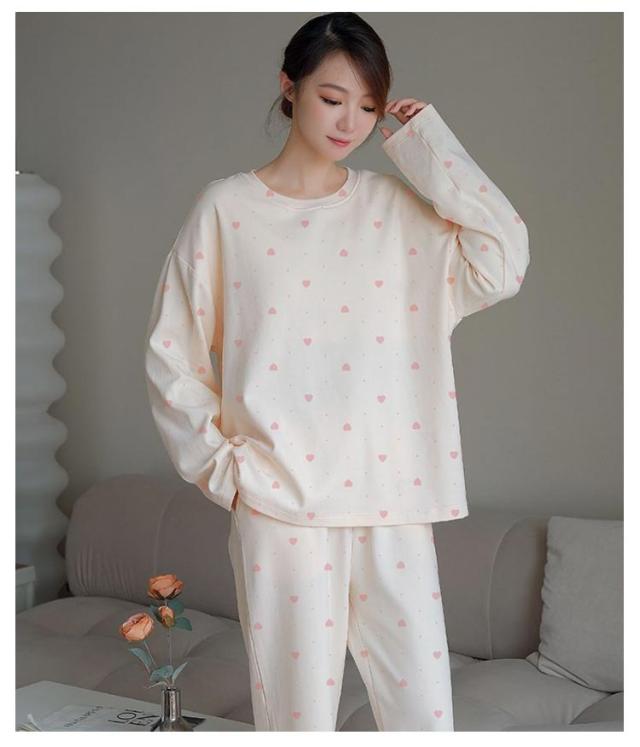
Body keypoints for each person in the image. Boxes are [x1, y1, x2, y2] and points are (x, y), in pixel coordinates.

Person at [144, 11, 529, 732]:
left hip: (394, 498)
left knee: (424, 719)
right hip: (281, 503)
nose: (351, 121)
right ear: (288, 87)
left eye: (369, 105)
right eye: (332, 97)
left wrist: (430, 148)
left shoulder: (396, 210)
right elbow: (173, 353)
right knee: (296, 721)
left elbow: (502, 260)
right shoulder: (227, 210)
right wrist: (225, 472)